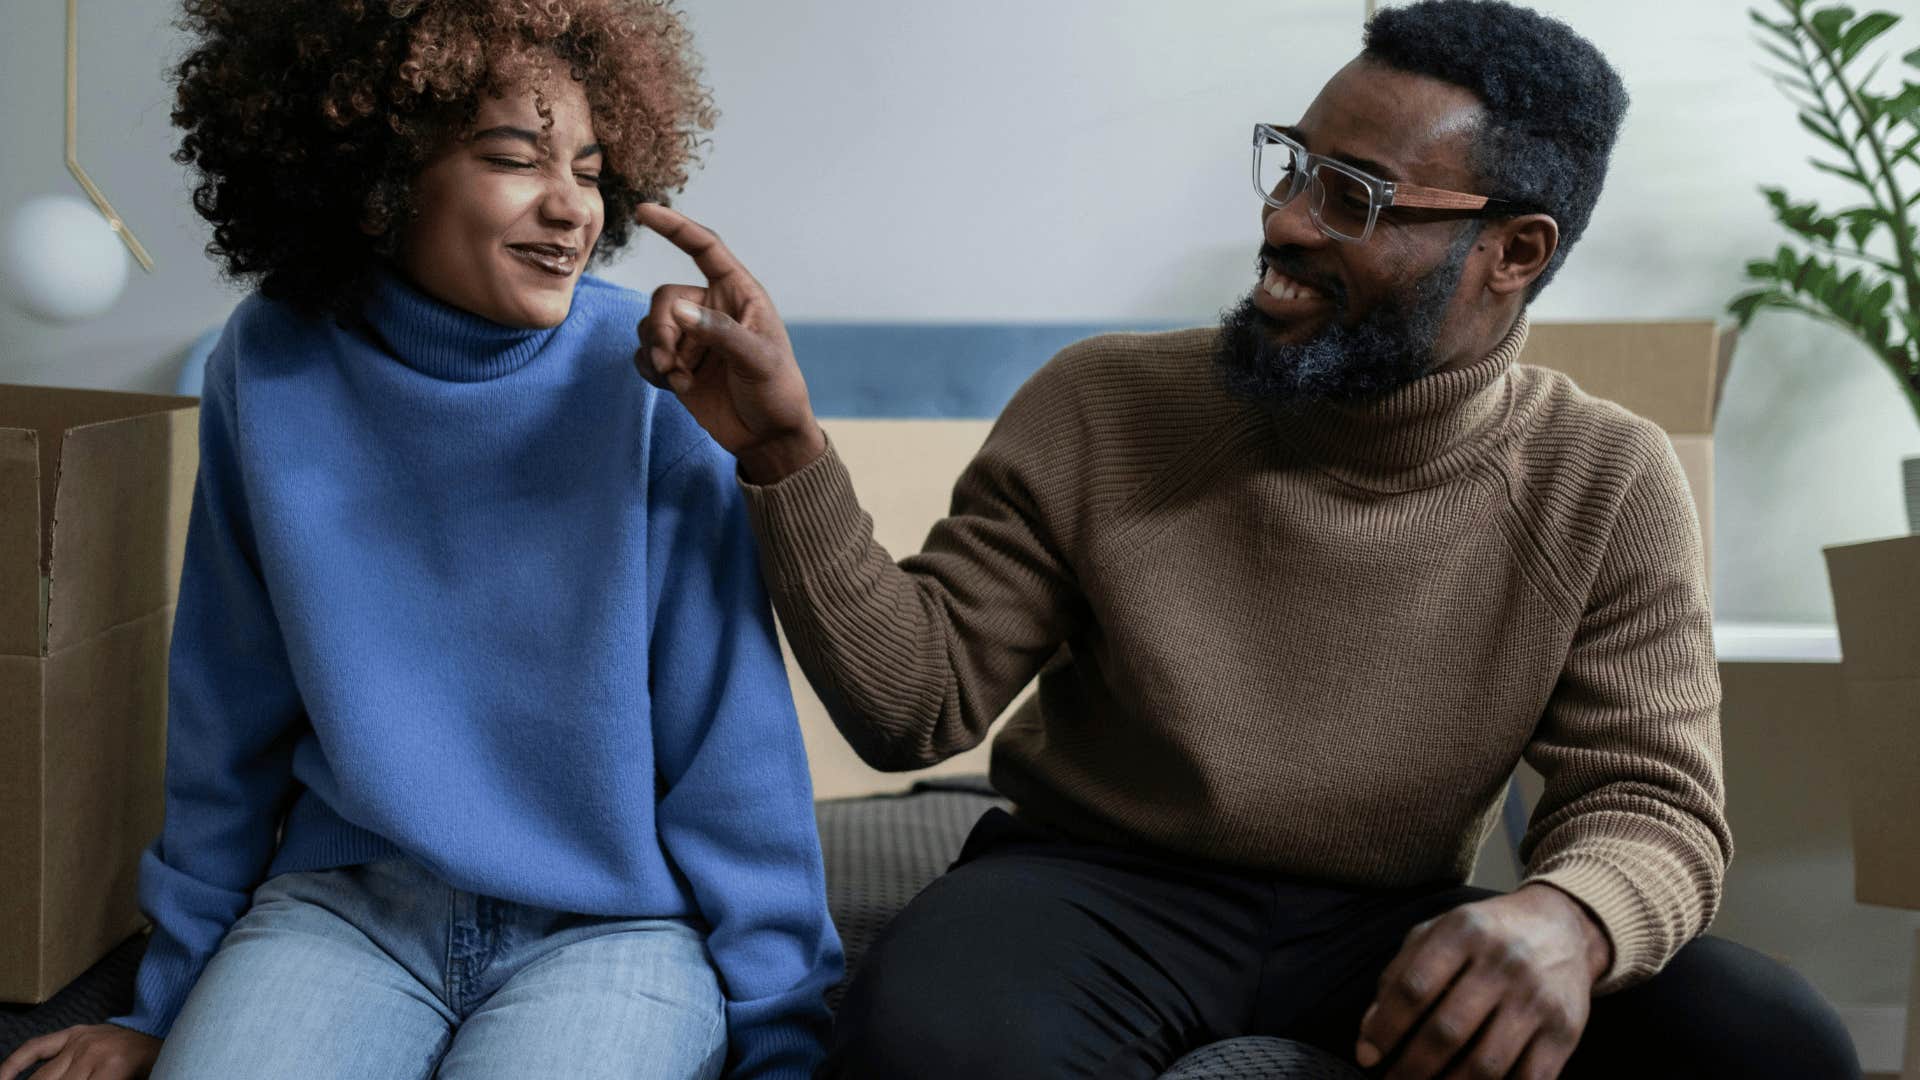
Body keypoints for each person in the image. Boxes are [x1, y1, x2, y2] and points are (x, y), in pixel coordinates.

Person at [626, 1, 1860, 1077]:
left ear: (1513, 253)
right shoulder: (1105, 403)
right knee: (927, 1042)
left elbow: (1654, 801)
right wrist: (783, 454)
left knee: (1768, 1039)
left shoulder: (1607, 478)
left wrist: (1572, 919)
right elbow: (915, 704)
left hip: (1393, 919)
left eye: (1353, 197)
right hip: (1090, 887)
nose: (1284, 223)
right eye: (1292, 165)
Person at [0, 3, 838, 1079]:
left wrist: (782, 1045)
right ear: (379, 171)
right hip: (344, 913)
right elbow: (226, 709)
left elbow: (735, 746)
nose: (570, 208)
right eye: (513, 159)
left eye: (588, 169)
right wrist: (164, 1007)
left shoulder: (652, 382)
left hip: (612, 928)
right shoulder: (265, 365)